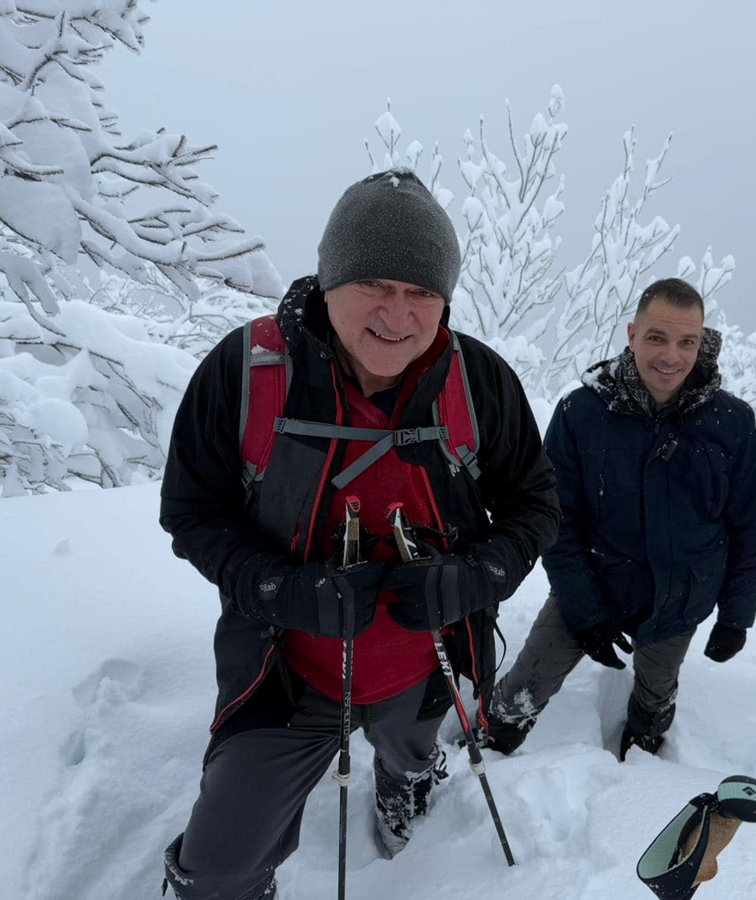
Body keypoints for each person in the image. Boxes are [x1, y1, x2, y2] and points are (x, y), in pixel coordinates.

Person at [158, 169, 559, 900]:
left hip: (425, 663)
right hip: (285, 672)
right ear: (329, 278)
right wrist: (280, 589)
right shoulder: (246, 374)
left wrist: (476, 577)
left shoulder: (479, 383)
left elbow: (536, 504)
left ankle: (402, 781)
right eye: (375, 283)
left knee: (407, 754)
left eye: (421, 293)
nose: (398, 314)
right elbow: (190, 511)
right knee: (217, 867)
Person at [481, 277, 756, 761]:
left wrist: (736, 617)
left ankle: (643, 751)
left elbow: (749, 524)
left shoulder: (731, 423)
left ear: (703, 343)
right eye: (657, 338)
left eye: (687, 342)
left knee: (655, 694)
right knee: (523, 689)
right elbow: (556, 519)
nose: (671, 356)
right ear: (632, 334)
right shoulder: (581, 413)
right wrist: (585, 612)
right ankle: (492, 746)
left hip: (679, 599)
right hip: (591, 584)